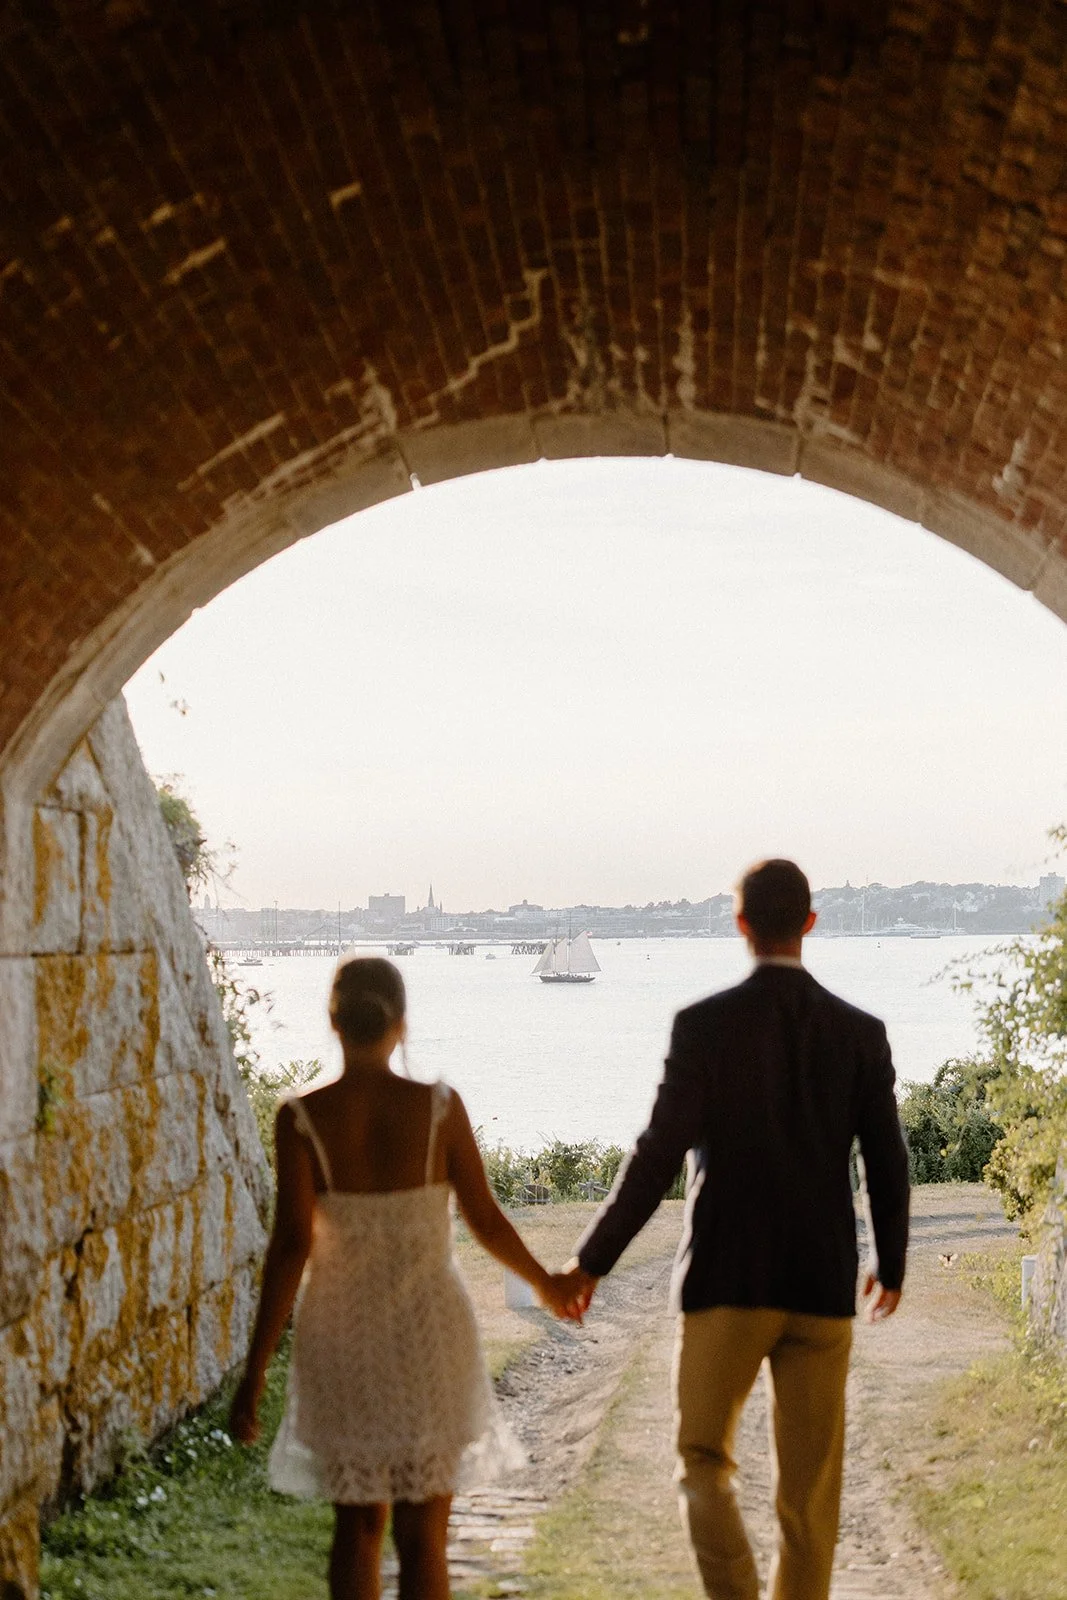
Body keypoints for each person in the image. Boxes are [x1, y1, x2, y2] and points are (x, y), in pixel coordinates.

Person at [560, 859, 910, 1600]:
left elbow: (655, 1159)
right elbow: (886, 1158)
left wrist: (590, 1262)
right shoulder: (860, 1033)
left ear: (739, 923)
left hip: (725, 1280)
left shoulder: (703, 1027)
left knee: (699, 1460)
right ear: (809, 924)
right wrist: (891, 1259)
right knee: (811, 1500)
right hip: (820, 1286)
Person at [230, 956, 578, 1600]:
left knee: (358, 1529)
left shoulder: (300, 1118)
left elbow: (290, 1247)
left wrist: (253, 1372)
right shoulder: (439, 1109)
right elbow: (487, 1222)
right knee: (424, 1541)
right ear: (402, 1023)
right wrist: (549, 1283)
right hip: (429, 1337)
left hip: (342, 1338)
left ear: (332, 1021)